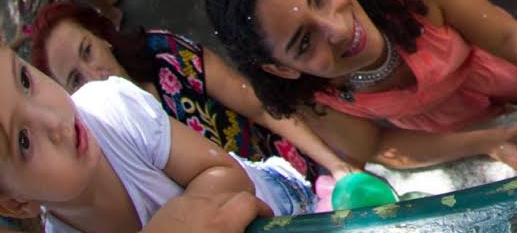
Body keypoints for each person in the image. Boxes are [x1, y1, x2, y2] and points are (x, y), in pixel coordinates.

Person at [204, 0, 517, 174]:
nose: (337, 30)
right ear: (280, 70)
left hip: (511, 67)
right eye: (304, 42)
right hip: (453, 126)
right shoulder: (308, 98)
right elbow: (378, 145)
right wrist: (482, 142)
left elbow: (507, 37)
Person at [29, 2, 355, 184]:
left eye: (87, 51)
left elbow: (258, 107)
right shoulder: (101, 154)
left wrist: (336, 166)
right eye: (75, 79)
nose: (94, 76)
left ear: (103, 38)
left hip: (294, 173)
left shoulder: (163, 55)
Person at [0, 49, 312, 233]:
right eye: (23, 141)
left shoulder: (110, 109)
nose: (53, 120)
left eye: (25, 80)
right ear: (17, 202)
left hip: (283, 206)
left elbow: (228, 173)